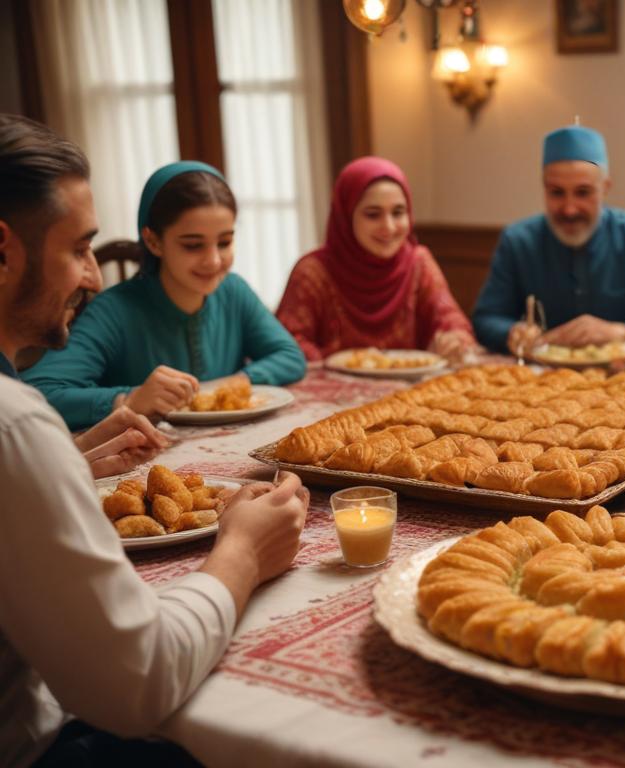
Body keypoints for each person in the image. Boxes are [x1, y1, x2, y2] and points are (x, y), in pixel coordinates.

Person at [0, 113, 308, 765]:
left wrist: (68, 468)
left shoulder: (21, 437)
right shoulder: (20, 421)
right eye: (81, 248)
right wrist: (244, 552)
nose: (91, 276)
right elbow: (135, 688)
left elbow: (288, 356)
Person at [23, 160, 307, 430]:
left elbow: (290, 356)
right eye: (193, 245)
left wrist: (233, 384)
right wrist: (127, 399)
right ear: (153, 241)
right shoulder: (114, 310)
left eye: (224, 242)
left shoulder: (232, 291)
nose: (213, 261)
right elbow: (38, 394)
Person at [472, 125, 625, 354]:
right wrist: (515, 332)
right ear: (543, 189)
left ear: (605, 188)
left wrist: (623, 332)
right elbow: (485, 319)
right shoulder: (518, 241)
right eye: (557, 193)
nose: (569, 209)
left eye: (583, 192)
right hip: (542, 383)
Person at [276, 156, 476, 362]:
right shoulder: (313, 272)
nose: (388, 227)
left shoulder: (418, 262)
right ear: (345, 216)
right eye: (373, 215)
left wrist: (453, 340)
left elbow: (452, 320)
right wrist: (337, 362)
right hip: (331, 392)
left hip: (415, 392)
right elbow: (286, 343)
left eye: (398, 213)